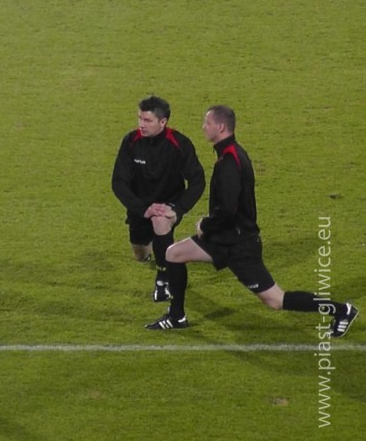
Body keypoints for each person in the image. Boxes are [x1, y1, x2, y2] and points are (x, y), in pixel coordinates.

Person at [146, 105, 358, 337]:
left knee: (275, 300)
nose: (203, 127)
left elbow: (228, 210)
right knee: (174, 254)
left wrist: (205, 224)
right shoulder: (230, 154)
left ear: (221, 127)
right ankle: (176, 317)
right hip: (223, 237)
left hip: (240, 245)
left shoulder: (230, 161)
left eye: (207, 123)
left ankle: (342, 310)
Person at [112, 96, 205, 302]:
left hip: (168, 205)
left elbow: (198, 181)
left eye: (147, 120)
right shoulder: (131, 142)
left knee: (160, 223)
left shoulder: (180, 144)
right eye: (140, 118)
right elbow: (118, 182)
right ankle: (162, 247)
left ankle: (163, 279)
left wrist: (178, 208)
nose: (141, 124)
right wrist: (143, 209)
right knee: (140, 254)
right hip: (140, 207)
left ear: (163, 122)